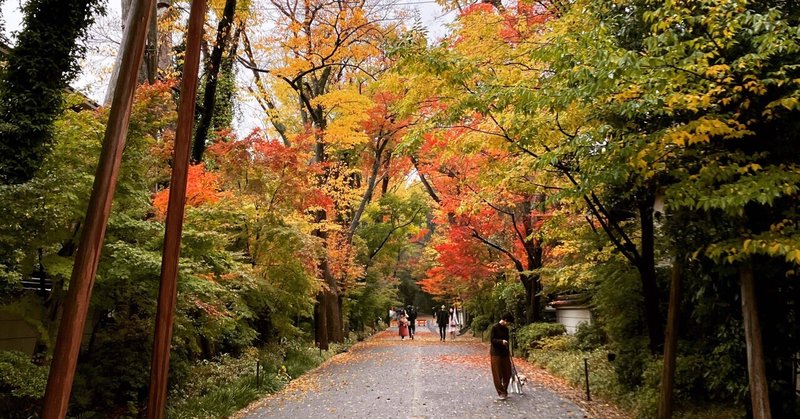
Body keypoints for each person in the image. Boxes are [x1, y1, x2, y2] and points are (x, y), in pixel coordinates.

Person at [490, 313, 515, 401]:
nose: (508, 324)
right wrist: (501, 341)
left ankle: (504, 390)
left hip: (504, 353)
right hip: (496, 353)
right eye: (508, 322)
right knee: (497, 373)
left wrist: (508, 349)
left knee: (507, 373)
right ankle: (501, 392)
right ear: (504, 320)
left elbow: (507, 340)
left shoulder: (506, 329)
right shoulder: (495, 327)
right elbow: (492, 340)